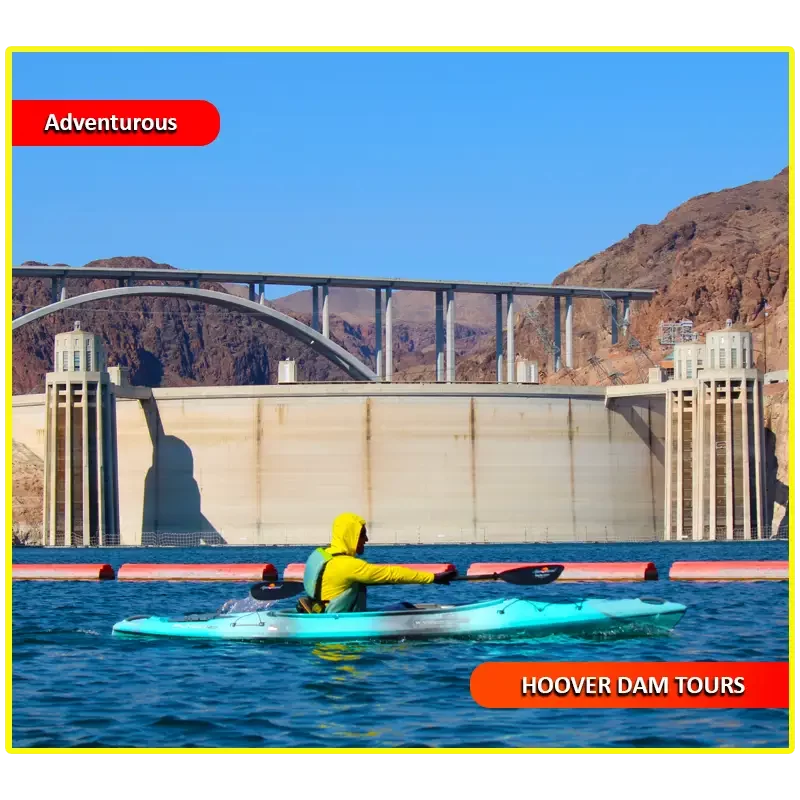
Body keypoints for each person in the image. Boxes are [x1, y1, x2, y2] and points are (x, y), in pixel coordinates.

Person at [298, 512, 454, 613]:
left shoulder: (322, 555)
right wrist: (433, 578)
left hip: (324, 614)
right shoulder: (348, 566)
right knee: (404, 607)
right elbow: (391, 574)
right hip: (344, 623)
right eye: (362, 535)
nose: (366, 539)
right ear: (350, 536)